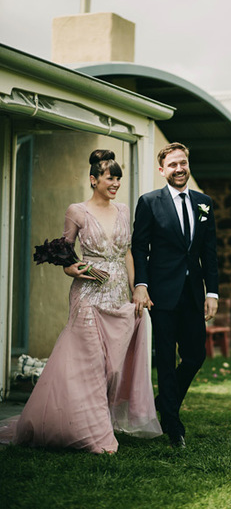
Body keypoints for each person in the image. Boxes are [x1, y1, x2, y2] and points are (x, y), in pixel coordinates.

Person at [0, 150, 161, 454]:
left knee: (112, 367)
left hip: (116, 296)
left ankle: (84, 421)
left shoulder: (124, 210)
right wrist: (78, 268)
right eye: (110, 177)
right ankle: (97, 437)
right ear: (93, 179)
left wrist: (138, 289)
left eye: (118, 178)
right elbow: (66, 256)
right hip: (87, 296)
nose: (115, 183)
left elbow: (127, 253)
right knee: (90, 363)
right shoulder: (76, 211)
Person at [132, 142, 219, 448]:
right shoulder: (149, 202)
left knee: (195, 355)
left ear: (187, 164)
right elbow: (139, 247)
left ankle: (163, 401)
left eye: (183, 163)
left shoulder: (204, 203)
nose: (179, 169)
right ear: (162, 170)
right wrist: (140, 285)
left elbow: (209, 252)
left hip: (194, 293)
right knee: (166, 359)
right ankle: (172, 423)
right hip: (161, 293)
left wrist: (214, 292)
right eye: (172, 165)